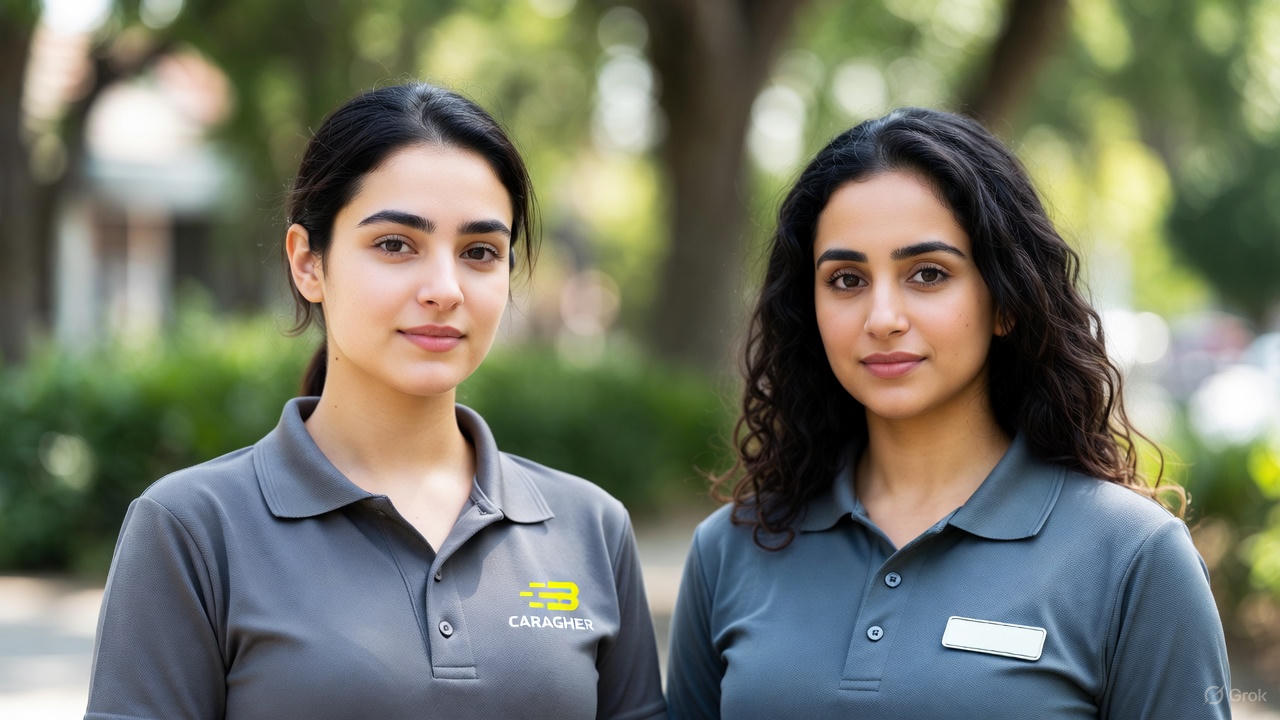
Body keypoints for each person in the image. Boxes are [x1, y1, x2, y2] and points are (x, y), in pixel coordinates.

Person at [85, 83, 667, 720]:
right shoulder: (192, 529)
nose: (444, 289)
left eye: (480, 253)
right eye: (395, 244)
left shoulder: (590, 528)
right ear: (308, 263)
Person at [665, 108, 1230, 719]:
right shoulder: (730, 551)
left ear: (1006, 302)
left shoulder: (1134, 558)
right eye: (847, 279)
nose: (882, 317)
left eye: (928, 274)